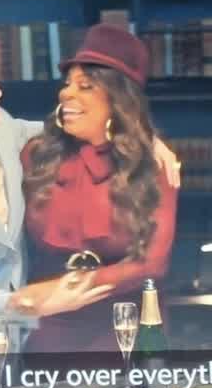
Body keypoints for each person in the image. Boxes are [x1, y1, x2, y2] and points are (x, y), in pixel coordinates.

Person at [0, 48, 180, 356]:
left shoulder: (3, 132)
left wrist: (144, 139)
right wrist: (36, 301)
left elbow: (68, 126)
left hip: (28, 331)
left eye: (85, 85)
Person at [19, 23, 178, 353]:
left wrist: (68, 287)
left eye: (85, 86)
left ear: (118, 100)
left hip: (127, 321)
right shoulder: (35, 154)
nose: (67, 94)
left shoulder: (152, 164)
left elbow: (153, 263)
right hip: (50, 320)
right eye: (67, 84)